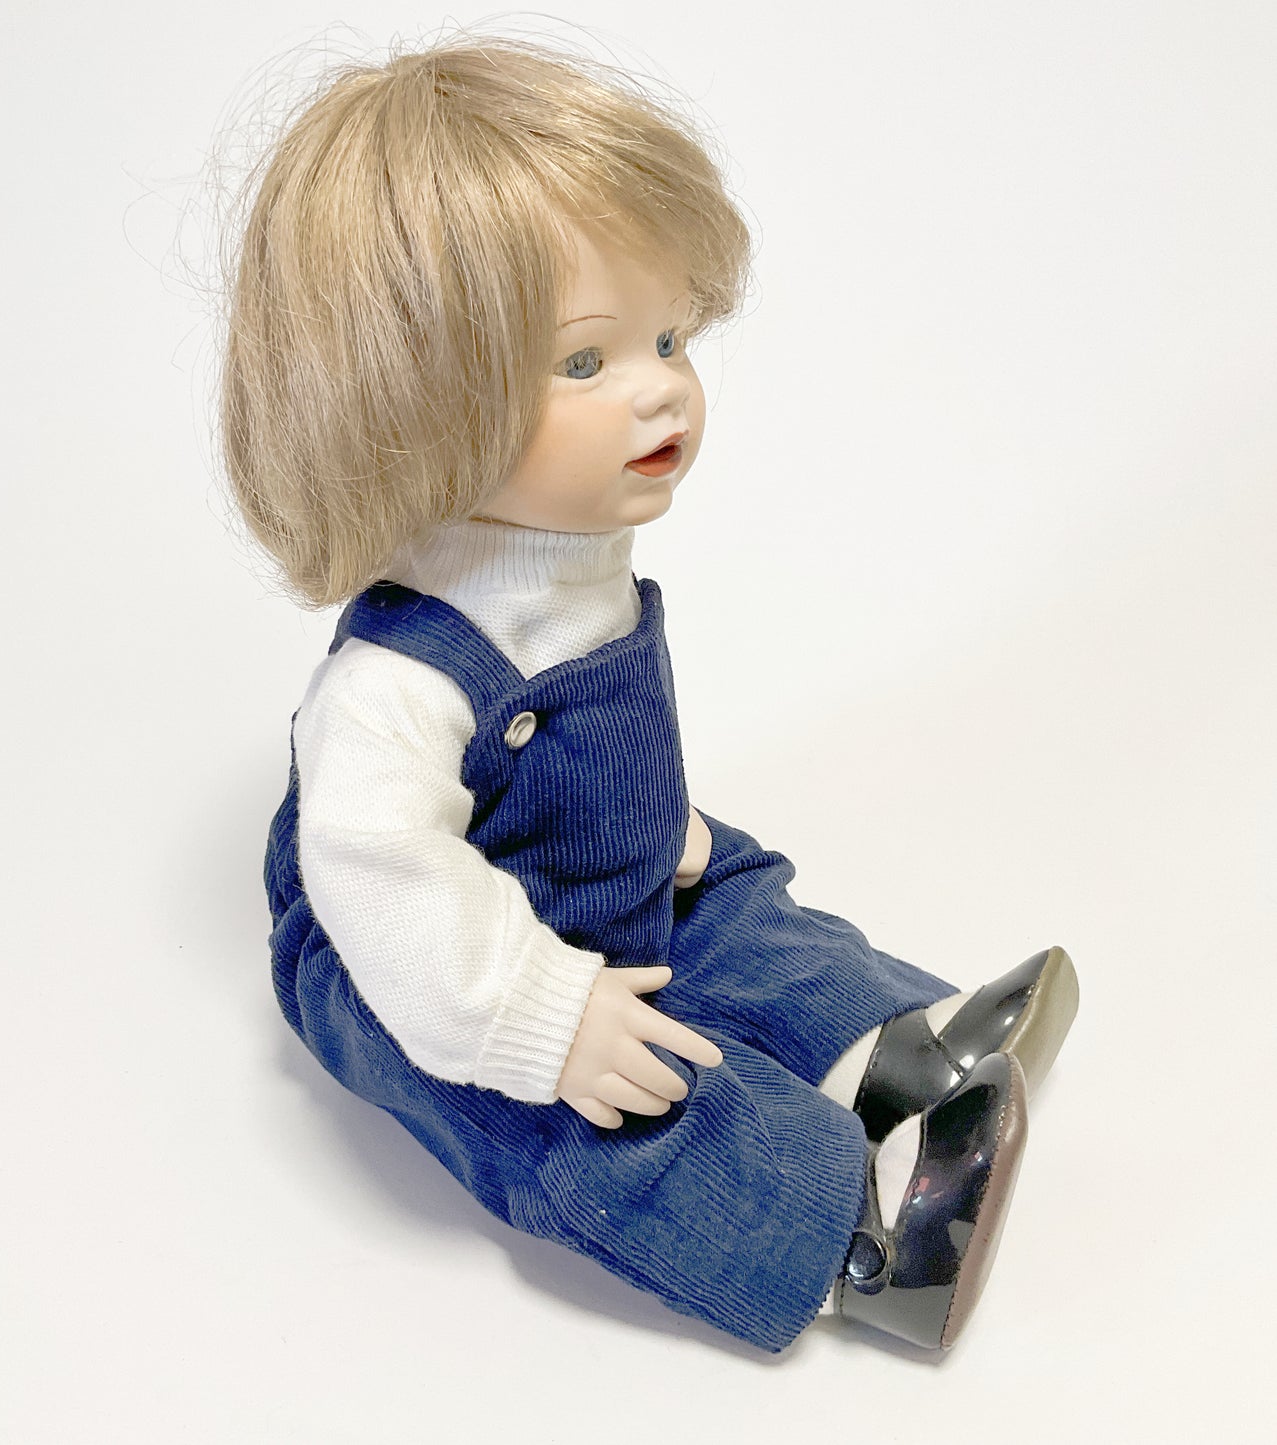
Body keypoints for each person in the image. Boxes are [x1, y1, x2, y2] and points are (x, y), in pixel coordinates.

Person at [221, 35, 1078, 1353]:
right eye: (586, 362)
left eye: (669, 337)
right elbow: (375, 867)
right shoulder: (398, 679)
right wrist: (534, 1014)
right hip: (428, 955)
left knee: (734, 905)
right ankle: (851, 1237)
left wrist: (646, 829)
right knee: (597, 1103)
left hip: (593, 870)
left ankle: (892, 1053)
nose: (664, 384)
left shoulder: (567, 555)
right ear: (412, 401)